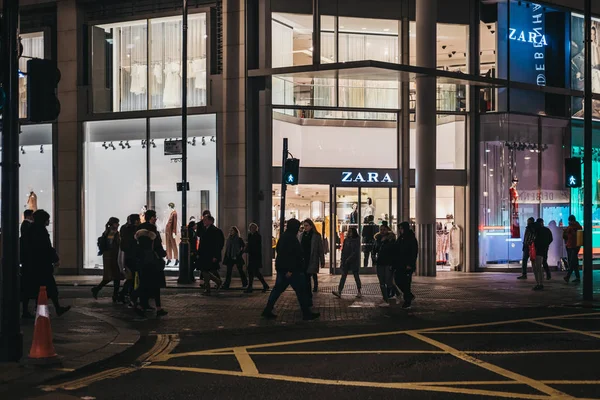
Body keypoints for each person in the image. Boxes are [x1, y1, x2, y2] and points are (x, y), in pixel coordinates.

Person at [262, 218, 319, 321]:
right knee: (301, 291)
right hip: (291, 270)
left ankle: (268, 309)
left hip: (283, 269)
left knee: (278, 289)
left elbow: (280, 251)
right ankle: (306, 313)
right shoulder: (291, 238)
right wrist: (291, 269)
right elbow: (292, 255)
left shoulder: (284, 237)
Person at [27, 210, 71, 316]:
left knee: (37, 287)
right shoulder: (41, 231)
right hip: (43, 265)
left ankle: (37, 308)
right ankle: (55, 308)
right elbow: (47, 248)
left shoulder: (30, 230)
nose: (48, 221)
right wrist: (55, 259)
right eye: (47, 219)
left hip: (33, 264)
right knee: (50, 288)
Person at [135, 210, 167, 313]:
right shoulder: (152, 230)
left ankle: (141, 305)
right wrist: (163, 253)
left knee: (144, 283)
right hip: (152, 261)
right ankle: (158, 308)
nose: (156, 218)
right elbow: (157, 246)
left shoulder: (139, 230)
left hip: (141, 260)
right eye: (154, 217)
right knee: (155, 284)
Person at [92, 217, 122, 302]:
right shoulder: (111, 232)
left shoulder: (108, 231)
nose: (118, 224)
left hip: (111, 256)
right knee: (114, 276)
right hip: (111, 257)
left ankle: (98, 289)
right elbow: (111, 244)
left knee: (113, 277)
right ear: (113, 224)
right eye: (117, 223)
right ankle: (114, 295)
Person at [332, 227, 361, 299]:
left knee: (356, 276)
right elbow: (343, 250)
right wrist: (343, 259)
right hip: (346, 261)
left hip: (353, 261)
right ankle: (339, 291)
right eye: (348, 231)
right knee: (343, 276)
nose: (349, 233)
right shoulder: (346, 240)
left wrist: (349, 258)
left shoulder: (356, 240)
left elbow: (355, 252)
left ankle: (359, 291)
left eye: (350, 232)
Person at [198, 215, 224, 294]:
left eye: (205, 220)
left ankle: (208, 288)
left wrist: (216, 256)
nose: (203, 221)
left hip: (210, 255)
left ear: (210, 221)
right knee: (204, 270)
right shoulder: (204, 230)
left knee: (205, 270)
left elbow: (218, 244)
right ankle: (216, 282)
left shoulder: (216, 231)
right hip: (204, 254)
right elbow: (201, 243)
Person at [118, 214, 141, 304]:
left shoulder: (124, 228)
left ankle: (126, 295)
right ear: (135, 221)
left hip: (127, 256)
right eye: (138, 219)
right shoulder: (134, 229)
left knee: (131, 277)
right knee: (132, 277)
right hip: (133, 256)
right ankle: (127, 295)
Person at [300, 219, 325, 300]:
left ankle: (310, 294)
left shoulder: (316, 236)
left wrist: (322, 260)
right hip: (303, 259)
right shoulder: (301, 235)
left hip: (312, 258)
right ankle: (307, 295)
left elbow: (320, 249)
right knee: (305, 277)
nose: (305, 227)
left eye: (307, 225)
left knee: (310, 275)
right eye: (304, 226)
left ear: (311, 226)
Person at [395, 222, 418, 309]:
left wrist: (410, 264)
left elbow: (414, 253)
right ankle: (409, 295)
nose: (400, 230)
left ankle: (407, 300)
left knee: (406, 282)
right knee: (397, 279)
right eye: (399, 229)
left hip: (407, 265)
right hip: (400, 264)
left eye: (401, 229)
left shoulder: (411, 239)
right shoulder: (401, 238)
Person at [373, 223, 396, 307]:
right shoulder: (377, 239)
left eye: (384, 229)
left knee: (388, 281)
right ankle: (385, 299)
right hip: (380, 263)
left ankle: (396, 293)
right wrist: (374, 258)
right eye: (381, 230)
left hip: (388, 262)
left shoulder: (391, 239)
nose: (382, 231)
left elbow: (393, 252)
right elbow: (374, 250)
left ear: (388, 230)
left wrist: (392, 263)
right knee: (381, 282)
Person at [245, 223, 270, 293]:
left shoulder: (258, 236)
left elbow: (255, 246)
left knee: (254, 272)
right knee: (253, 272)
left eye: (253, 228)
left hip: (255, 256)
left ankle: (251, 287)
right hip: (252, 256)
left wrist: (248, 249)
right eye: (251, 228)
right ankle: (262, 285)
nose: (252, 229)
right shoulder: (250, 235)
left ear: (256, 229)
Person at [20, 209, 36, 318]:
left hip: (26, 261)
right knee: (29, 287)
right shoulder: (27, 225)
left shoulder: (25, 225)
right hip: (29, 262)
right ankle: (27, 310)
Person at [532, 218, 553, 291]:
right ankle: (546, 275)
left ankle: (540, 283)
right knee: (543, 262)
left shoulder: (537, 231)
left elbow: (534, 240)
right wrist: (546, 245)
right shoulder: (546, 230)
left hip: (538, 250)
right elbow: (551, 239)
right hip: (544, 249)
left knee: (538, 267)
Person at [563, 215, 582, 284]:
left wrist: (570, 230)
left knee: (572, 261)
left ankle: (568, 276)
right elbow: (566, 235)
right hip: (570, 245)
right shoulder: (570, 227)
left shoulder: (576, 227)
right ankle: (577, 277)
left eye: (570, 221)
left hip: (574, 246)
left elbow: (576, 235)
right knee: (574, 262)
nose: (569, 222)